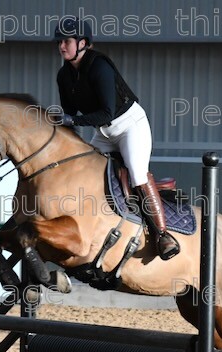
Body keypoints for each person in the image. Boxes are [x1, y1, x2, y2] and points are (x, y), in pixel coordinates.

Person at [53, 16, 180, 261]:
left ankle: (162, 235)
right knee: (81, 169)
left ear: (82, 43)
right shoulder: (64, 75)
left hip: (130, 126)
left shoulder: (99, 67)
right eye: (59, 42)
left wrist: (72, 121)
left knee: (136, 173)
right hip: (103, 132)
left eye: (66, 41)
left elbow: (106, 113)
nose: (61, 46)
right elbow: (70, 113)